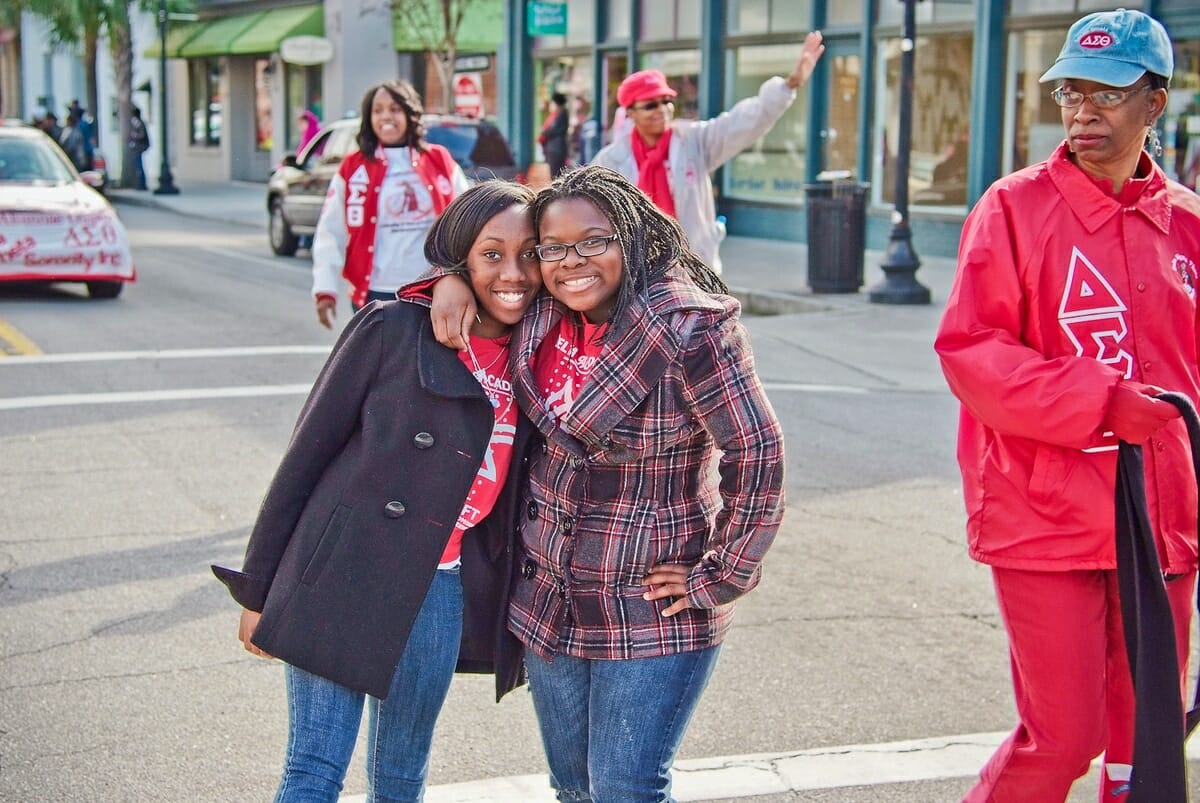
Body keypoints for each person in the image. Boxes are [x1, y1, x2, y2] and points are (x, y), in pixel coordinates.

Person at [427, 165, 785, 802]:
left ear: (630, 235)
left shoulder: (689, 328)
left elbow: (757, 451)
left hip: (647, 605)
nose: (572, 262)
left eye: (593, 241)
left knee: (625, 788)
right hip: (549, 601)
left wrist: (722, 574)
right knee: (573, 787)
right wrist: (449, 279)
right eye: (554, 248)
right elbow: (492, 270)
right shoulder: (542, 310)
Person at [933, 9, 1200, 801]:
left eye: (1107, 94)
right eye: (1070, 92)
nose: (1083, 111)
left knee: (1146, 739)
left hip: (1163, 517)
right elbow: (971, 351)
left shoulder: (1188, 221)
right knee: (1063, 735)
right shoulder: (1012, 209)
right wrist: (1102, 400)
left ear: (1155, 102)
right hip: (1042, 510)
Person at [212, 180, 542, 802]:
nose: (513, 273)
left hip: (439, 584)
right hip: (344, 569)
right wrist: (257, 589)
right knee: (314, 771)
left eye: (530, 254)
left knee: (402, 775)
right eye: (491, 254)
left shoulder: (538, 353)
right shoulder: (393, 328)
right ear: (461, 257)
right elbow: (304, 459)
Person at [590, 31, 824, 274]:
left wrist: (790, 84)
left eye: (667, 101)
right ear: (630, 113)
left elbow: (743, 122)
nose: (662, 109)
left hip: (692, 267)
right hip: (639, 270)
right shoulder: (611, 160)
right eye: (650, 105)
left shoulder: (694, 140)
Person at [310, 79, 469, 329]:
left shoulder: (439, 160)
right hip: (374, 293)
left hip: (431, 290)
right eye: (378, 110)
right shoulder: (353, 167)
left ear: (409, 114)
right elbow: (330, 232)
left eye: (395, 109)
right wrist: (324, 288)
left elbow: (469, 223)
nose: (386, 116)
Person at [538, 91, 570, 179]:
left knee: (555, 175)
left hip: (556, 149)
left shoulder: (561, 114)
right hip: (556, 149)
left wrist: (544, 131)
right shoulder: (560, 114)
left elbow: (552, 130)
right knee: (556, 174)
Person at [127, 106, 150, 191]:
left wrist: (134, 136)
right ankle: (140, 184)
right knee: (138, 166)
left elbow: (141, 135)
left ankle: (142, 184)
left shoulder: (139, 123)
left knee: (140, 166)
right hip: (137, 147)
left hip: (139, 148)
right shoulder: (137, 123)